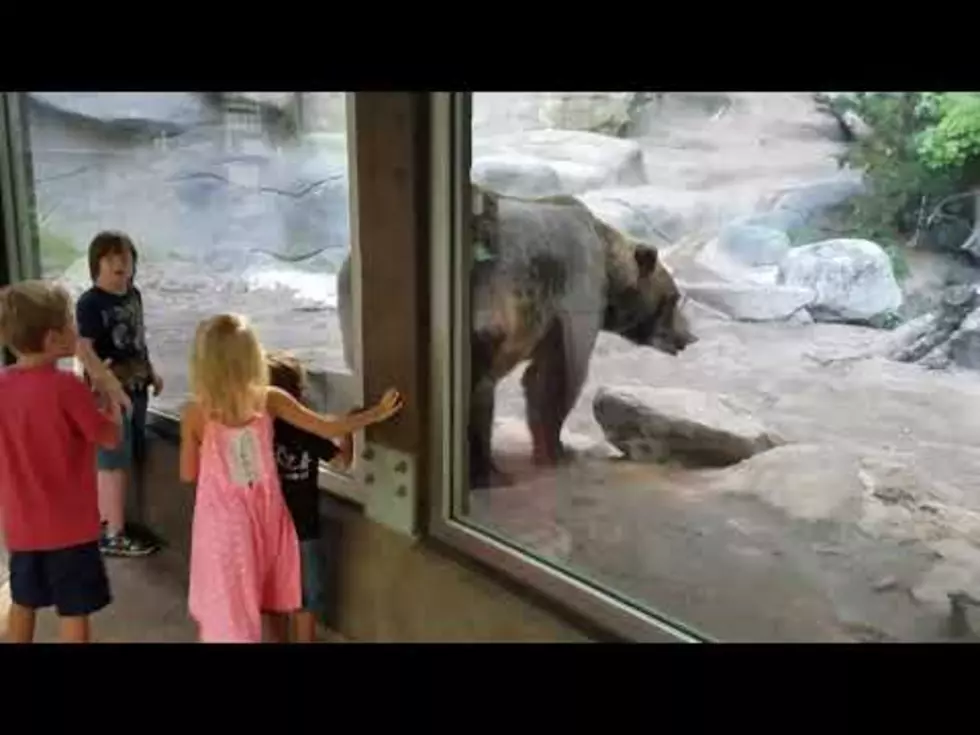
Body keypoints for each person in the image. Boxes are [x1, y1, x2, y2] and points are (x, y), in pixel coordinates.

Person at [179, 313, 403, 643]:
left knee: (230, 614)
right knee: (277, 598)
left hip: (221, 530)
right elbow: (328, 427)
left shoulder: (194, 413)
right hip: (266, 523)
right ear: (251, 356)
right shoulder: (269, 399)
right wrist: (376, 413)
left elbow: (188, 474)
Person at [0, 280, 122, 643]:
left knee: (23, 601)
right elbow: (108, 436)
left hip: (22, 527)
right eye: (71, 322)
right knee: (74, 610)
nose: (77, 329)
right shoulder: (67, 387)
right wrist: (107, 392)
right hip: (70, 529)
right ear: (54, 338)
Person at [76, 231, 162, 558]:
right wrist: (110, 387)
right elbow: (84, 350)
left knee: (123, 456)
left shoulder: (133, 295)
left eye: (126, 256)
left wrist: (151, 371)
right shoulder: (90, 302)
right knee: (112, 460)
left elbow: (138, 339)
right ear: (96, 264)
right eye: (112, 257)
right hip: (109, 395)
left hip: (138, 388)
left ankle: (110, 520)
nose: (121, 263)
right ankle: (112, 532)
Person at [263, 350, 354, 643]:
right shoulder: (307, 430)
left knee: (271, 596)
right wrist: (347, 429)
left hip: (267, 530)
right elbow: (342, 461)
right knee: (306, 599)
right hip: (305, 530)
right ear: (296, 394)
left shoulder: (257, 429)